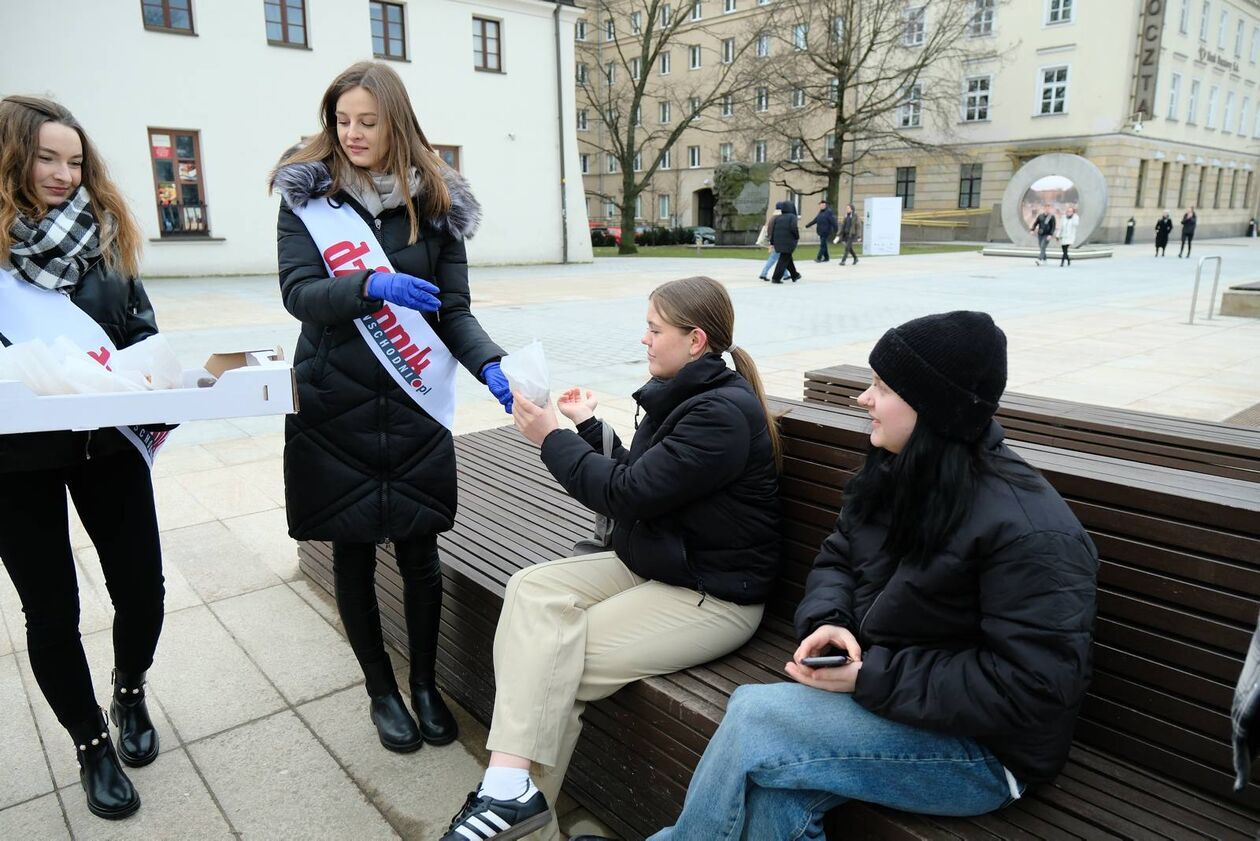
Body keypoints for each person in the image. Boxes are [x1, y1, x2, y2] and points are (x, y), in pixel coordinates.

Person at [642, 310, 1098, 841]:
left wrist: (871, 678)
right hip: (898, 701)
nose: (863, 399)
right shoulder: (899, 469)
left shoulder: (1030, 530)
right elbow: (839, 557)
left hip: (983, 752)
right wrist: (831, 620)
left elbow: (1032, 687)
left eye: (881, 386)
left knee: (755, 717)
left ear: (930, 406)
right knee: (774, 789)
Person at [441, 275, 781, 841]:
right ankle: (513, 800)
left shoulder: (718, 413)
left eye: (654, 329)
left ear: (695, 340)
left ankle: (510, 808)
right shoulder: (685, 393)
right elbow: (646, 481)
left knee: (554, 664)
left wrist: (550, 436)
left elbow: (625, 495)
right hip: (659, 562)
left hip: (710, 593)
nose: (643, 340)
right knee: (530, 589)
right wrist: (589, 427)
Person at [270, 61, 511, 755]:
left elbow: (454, 311)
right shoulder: (308, 197)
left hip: (413, 398)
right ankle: (382, 689)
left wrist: (490, 362)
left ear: (395, 122)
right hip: (332, 398)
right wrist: (370, 283)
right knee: (349, 549)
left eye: (368, 122)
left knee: (419, 548)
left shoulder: (436, 202)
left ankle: (428, 686)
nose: (352, 134)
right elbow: (300, 294)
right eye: (342, 121)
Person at [0, 96, 166, 820]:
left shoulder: (105, 238)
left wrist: (155, 380)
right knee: (53, 610)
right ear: (12, 158)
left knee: (143, 589)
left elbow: (141, 328)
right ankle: (92, 740)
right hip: (13, 462)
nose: (64, 174)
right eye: (46, 158)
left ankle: (129, 687)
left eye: (74, 160)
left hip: (107, 444)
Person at [770, 200, 802, 283]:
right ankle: (776, 278)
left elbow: (773, 230)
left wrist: (772, 242)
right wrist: (797, 237)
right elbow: (794, 228)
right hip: (788, 242)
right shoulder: (792, 217)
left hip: (778, 242)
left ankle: (794, 275)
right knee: (783, 259)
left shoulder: (778, 217)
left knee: (787, 258)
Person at [756, 207, 779, 281]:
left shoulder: (772, 218)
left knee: (782, 258)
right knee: (773, 258)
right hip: (777, 241)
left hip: (773, 241)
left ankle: (786, 274)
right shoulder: (777, 219)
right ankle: (763, 273)